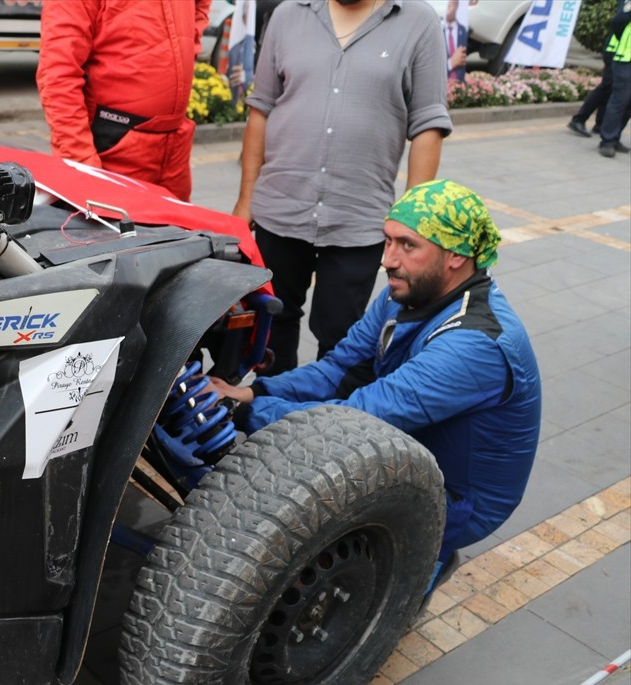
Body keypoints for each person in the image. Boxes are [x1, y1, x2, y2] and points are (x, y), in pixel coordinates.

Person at [213, 180, 541, 580]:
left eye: (407, 245)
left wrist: (243, 412)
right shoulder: (403, 292)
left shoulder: (476, 345)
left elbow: (357, 420)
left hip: (456, 497)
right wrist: (250, 392)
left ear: (456, 256)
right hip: (412, 443)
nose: (388, 260)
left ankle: (430, 556)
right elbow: (338, 370)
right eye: (387, 241)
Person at [233, 0, 451, 377]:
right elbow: (261, 108)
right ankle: (267, 413)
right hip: (280, 206)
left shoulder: (418, 21)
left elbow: (428, 125)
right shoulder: (288, 14)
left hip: (359, 216)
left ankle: (326, 424)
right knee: (272, 322)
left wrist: (415, 222)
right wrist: (245, 200)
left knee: (342, 335)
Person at [36, 0, 211, 202]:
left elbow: (200, 5)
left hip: (173, 145)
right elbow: (58, 75)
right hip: (114, 145)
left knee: (179, 230)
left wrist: (188, 43)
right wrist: (82, 163)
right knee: (112, 230)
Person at [569, 1, 631, 142]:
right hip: (616, 51)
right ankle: (580, 118)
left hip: (620, 52)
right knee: (608, 85)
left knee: (612, 88)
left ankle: (600, 124)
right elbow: (619, 22)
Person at [597, 2, 631, 158]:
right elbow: (618, 22)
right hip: (625, 60)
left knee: (628, 104)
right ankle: (607, 141)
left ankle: (615, 137)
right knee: (619, 101)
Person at [443, 0, 467, 82]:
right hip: (443, 83)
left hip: (460, 83)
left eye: (451, 4)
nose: (448, 7)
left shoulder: (463, 30)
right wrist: (450, 63)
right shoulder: (436, 31)